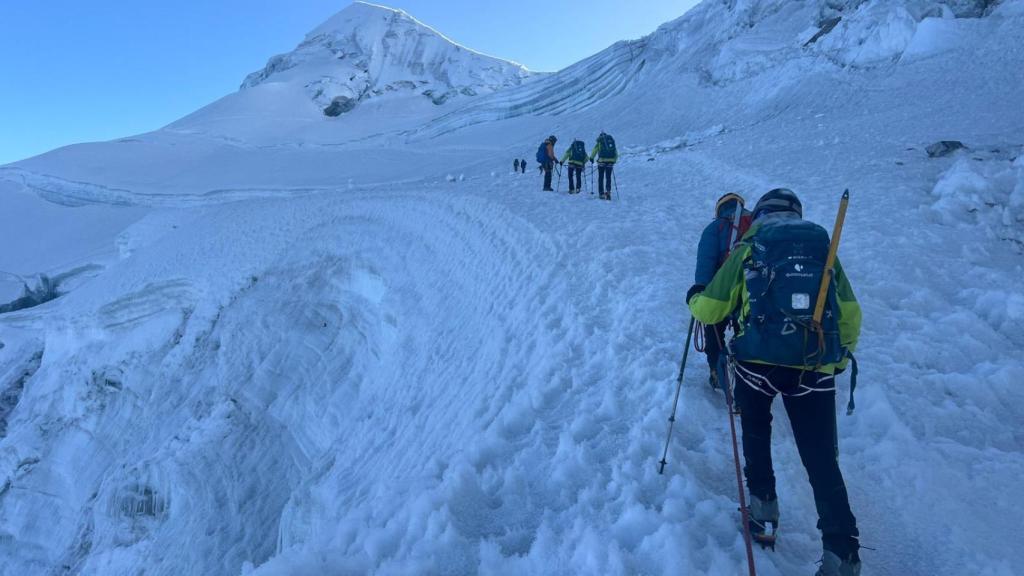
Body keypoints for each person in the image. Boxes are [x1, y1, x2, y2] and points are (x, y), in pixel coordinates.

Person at [687, 188, 863, 576]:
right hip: (814, 364)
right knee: (821, 458)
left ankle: (763, 511)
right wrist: (837, 358)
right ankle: (842, 551)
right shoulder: (823, 248)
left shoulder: (750, 246)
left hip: (757, 365)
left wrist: (694, 298)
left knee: (756, 431)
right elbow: (850, 314)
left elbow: (711, 308)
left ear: (760, 215)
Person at [693, 193, 752, 390]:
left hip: (722, 289)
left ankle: (717, 372)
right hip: (751, 289)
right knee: (745, 328)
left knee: (713, 327)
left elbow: (706, 262)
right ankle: (747, 370)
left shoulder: (715, 228)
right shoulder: (756, 223)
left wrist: (701, 289)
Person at [589, 132, 618, 200]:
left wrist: (592, 158)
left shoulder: (600, 142)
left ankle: (601, 193)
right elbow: (616, 153)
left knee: (601, 178)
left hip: (601, 162)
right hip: (610, 162)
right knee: (608, 177)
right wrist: (613, 161)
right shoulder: (611, 142)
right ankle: (608, 192)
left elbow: (595, 150)